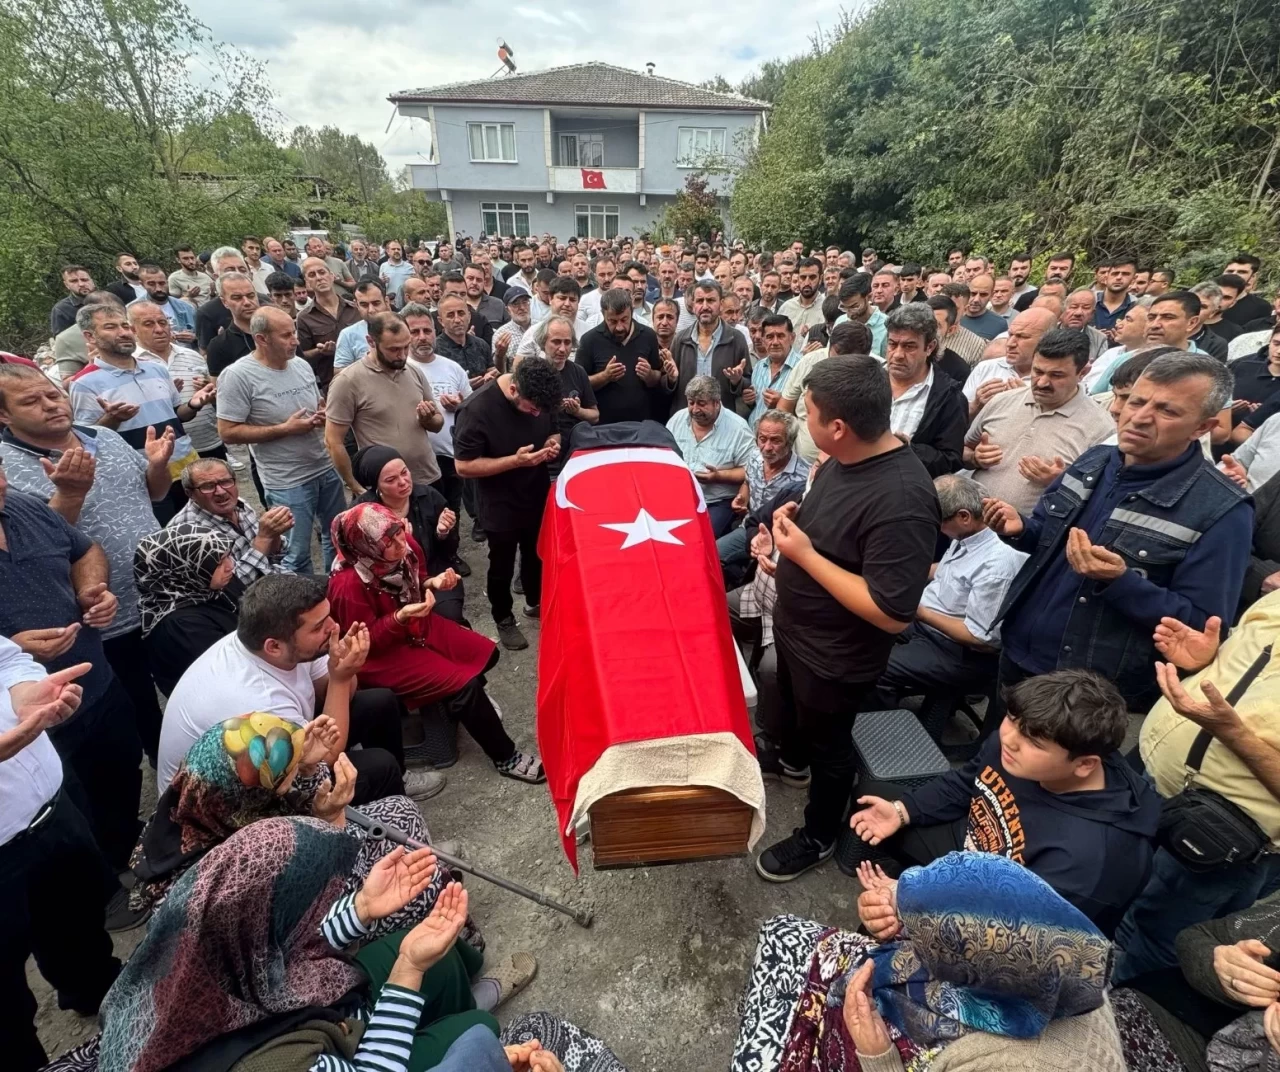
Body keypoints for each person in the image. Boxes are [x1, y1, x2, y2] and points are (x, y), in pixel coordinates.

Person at [99, 817, 509, 1072]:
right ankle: (449, 1022)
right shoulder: (270, 1065)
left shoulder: (201, 946)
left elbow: (291, 947)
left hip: (313, 1022)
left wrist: (363, 907)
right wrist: (407, 972)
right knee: (478, 1033)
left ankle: (440, 1013)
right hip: (325, 1052)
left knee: (438, 959)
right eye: (310, 905)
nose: (320, 909)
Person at [754, 356, 939, 882]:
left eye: (808, 414)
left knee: (832, 749)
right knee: (798, 720)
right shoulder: (843, 458)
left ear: (837, 426)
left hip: (835, 658)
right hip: (798, 633)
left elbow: (890, 612)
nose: (801, 423)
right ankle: (795, 763)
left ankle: (817, 834)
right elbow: (834, 533)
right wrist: (789, 534)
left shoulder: (903, 499)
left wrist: (806, 556)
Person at [986, 352, 1253, 713]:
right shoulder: (1094, 460)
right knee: (993, 762)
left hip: (1086, 690)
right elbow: (1050, 540)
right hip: (1019, 651)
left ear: (1202, 428)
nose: (1139, 418)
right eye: (1135, 401)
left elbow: (1201, 627)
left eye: (1167, 411)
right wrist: (1020, 529)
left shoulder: (1221, 510)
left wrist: (1119, 582)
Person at [734, 852, 1126, 1072]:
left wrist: (877, 1055)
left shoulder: (1022, 1064)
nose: (909, 935)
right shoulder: (1064, 958)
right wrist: (902, 901)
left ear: (976, 973)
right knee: (782, 932)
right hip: (914, 1009)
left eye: (924, 939)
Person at [849, 668, 1158, 932]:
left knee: (882, 926)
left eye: (1033, 742)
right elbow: (967, 781)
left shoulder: (1090, 862)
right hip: (971, 848)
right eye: (1012, 719)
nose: (1008, 739)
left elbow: (1015, 934)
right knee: (879, 804)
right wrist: (902, 811)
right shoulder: (1017, 743)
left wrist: (911, 899)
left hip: (1004, 918)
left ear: (1084, 764)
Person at [0, 362, 171, 761]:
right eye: (32, 401)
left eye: (53, 394)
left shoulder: (104, 437)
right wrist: (72, 493)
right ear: (4, 415)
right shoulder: (6, 465)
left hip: (160, 597)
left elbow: (154, 494)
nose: (51, 405)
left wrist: (159, 468)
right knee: (136, 710)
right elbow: (39, 545)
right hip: (101, 619)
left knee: (174, 685)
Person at [1111, 585, 1280, 982]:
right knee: (1120, 899)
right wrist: (1206, 659)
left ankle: (1112, 1019)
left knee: (1159, 940)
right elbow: (1251, 665)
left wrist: (1232, 733)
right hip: (1153, 782)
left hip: (1220, 831)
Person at [158, 572, 444, 802]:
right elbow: (321, 760)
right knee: (378, 767)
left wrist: (344, 669)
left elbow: (332, 691)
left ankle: (396, 791)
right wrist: (342, 678)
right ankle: (392, 840)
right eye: (319, 626)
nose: (334, 627)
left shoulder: (275, 641)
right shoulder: (258, 699)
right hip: (232, 805)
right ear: (274, 646)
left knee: (379, 703)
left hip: (280, 755)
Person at [0, 472, 144, 898]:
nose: (2, 483)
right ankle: (104, 896)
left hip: (93, 679)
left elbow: (84, 549)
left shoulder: (21, 506)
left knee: (121, 771)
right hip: (33, 720)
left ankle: (127, 853)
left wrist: (91, 588)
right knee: (68, 812)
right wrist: (10, 649)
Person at [327, 503, 544, 784]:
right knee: (465, 687)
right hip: (380, 656)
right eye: (388, 543)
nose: (400, 545)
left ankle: (465, 706)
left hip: (416, 623)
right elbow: (364, 643)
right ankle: (505, 756)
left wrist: (434, 583)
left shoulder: (406, 544)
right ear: (366, 546)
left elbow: (416, 578)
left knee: (487, 653)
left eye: (399, 535)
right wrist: (399, 617)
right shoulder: (347, 585)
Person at [0, 637, 125, 1072]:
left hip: (49, 809)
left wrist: (24, 691)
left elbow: (8, 658)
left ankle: (103, 1002)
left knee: (79, 929)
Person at [871, 473, 1028, 711]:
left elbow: (982, 640)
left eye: (939, 521)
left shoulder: (997, 564)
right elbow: (946, 571)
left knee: (877, 671)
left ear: (963, 516)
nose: (937, 529)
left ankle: (875, 733)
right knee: (862, 626)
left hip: (959, 652)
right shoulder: (969, 535)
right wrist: (901, 569)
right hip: (927, 621)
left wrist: (919, 612)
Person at [216, 307, 346, 574]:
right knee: (294, 554)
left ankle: (336, 597)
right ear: (262, 339)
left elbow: (315, 402)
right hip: (287, 480)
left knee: (338, 540)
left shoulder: (300, 364)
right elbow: (227, 431)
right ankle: (304, 611)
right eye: (286, 335)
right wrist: (284, 429)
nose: (296, 340)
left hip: (324, 466)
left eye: (294, 332)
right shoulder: (238, 375)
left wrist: (322, 412)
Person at [453, 359, 563, 652]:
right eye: (531, 408)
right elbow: (463, 466)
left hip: (536, 492)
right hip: (498, 501)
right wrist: (515, 461)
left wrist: (553, 443)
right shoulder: (476, 410)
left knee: (535, 553)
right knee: (501, 563)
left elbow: (553, 428)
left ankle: (534, 601)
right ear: (513, 389)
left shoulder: (540, 395)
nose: (537, 414)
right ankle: (503, 617)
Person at [68, 302, 210, 523]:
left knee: (206, 530)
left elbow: (177, 415)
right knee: (166, 540)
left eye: (125, 325)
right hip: (144, 477)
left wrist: (193, 404)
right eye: (110, 327)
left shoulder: (157, 369)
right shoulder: (84, 383)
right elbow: (88, 440)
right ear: (90, 336)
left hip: (185, 466)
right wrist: (112, 419)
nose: (123, 332)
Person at [964, 326, 1116, 513]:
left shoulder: (1102, 429)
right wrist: (974, 457)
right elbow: (964, 450)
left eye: (1056, 375)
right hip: (970, 522)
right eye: (1038, 371)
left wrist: (1061, 482)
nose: (1042, 382)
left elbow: (1102, 498)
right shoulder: (1003, 400)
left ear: (1083, 372)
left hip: (1025, 537)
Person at [323, 312, 443, 498]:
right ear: (371, 341)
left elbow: (437, 424)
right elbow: (333, 441)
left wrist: (428, 419)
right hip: (385, 489)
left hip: (427, 478)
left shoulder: (413, 371)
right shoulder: (348, 381)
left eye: (406, 347)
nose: (402, 355)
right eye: (394, 349)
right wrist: (356, 487)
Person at [353, 446, 466, 623]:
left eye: (404, 472)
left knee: (449, 617)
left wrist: (443, 532)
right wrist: (400, 547)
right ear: (377, 486)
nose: (403, 482)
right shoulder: (365, 512)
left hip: (434, 571)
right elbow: (360, 563)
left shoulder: (428, 496)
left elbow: (450, 552)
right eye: (391, 480)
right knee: (403, 624)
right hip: (389, 584)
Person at [132, 525, 241, 695]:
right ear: (181, 569)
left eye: (227, 556)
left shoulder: (205, 584)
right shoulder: (180, 626)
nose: (230, 566)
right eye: (218, 563)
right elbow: (230, 673)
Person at [718, 409, 809, 587]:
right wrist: (742, 497)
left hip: (779, 543)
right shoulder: (754, 457)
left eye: (775, 440)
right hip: (748, 529)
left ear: (789, 442)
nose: (766, 447)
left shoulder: (803, 477)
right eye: (762, 439)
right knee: (711, 554)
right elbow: (747, 482)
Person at [171, 456, 293, 585]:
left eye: (225, 482)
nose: (220, 491)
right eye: (208, 486)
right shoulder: (189, 532)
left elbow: (273, 558)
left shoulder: (239, 504)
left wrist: (274, 534)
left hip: (272, 580)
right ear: (190, 494)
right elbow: (231, 587)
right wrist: (264, 538)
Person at [128, 299, 222, 461]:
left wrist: (209, 390)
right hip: (168, 452)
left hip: (208, 442)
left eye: (163, 322)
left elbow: (213, 395)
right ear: (133, 330)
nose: (159, 329)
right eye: (148, 324)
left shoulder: (192, 356)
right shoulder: (131, 364)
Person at [881, 303, 967, 476]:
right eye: (892, 344)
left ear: (929, 347)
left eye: (909, 346)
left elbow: (950, 460)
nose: (897, 354)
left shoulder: (949, 397)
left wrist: (908, 450)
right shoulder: (867, 378)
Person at [664, 376, 755, 538]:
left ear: (717, 402)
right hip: (679, 496)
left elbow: (752, 470)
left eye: (701, 403)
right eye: (691, 402)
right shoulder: (678, 419)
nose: (695, 409)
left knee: (699, 537)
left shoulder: (738, 429)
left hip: (717, 501)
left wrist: (719, 476)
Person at [778, 320, 873, 463]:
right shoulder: (810, 361)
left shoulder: (873, 378)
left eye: (849, 361)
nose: (840, 365)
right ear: (830, 345)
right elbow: (784, 408)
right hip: (800, 464)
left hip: (848, 467)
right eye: (837, 356)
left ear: (865, 356)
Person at [578, 288, 671, 425]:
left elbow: (658, 378)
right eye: (613, 321)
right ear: (603, 315)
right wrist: (605, 376)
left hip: (642, 424)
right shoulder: (589, 340)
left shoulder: (648, 336)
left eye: (624, 319)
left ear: (632, 312)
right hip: (603, 427)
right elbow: (580, 384)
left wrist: (649, 375)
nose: (620, 327)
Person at [670, 279, 752, 415]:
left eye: (711, 300)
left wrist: (737, 381)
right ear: (693, 304)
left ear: (720, 304)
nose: (705, 306)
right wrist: (670, 379)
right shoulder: (681, 339)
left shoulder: (736, 339)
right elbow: (670, 385)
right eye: (700, 301)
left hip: (722, 418)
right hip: (687, 417)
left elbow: (748, 382)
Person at [961, 307, 1057, 418]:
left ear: (1047, 340)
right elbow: (957, 418)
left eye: (1022, 336)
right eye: (1010, 335)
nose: (1010, 343)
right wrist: (976, 406)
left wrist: (1026, 401)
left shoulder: (1057, 379)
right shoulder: (986, 367)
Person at [296, 257, 360, 393]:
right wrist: (320, 351)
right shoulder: (304, 318)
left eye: (322, 272)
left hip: (363, 379)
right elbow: (303, 355)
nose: (319, 278)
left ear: (331, 276)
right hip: (332, 385)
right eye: (312, 275)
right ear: (307, 283)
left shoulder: (356, 309)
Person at [202, 271, 259, 377]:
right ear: (224, 302)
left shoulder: (277, 331)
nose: (246, 302)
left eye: (251, 295)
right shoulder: (219, 346)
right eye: (237, 298)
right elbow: (220, 389)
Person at [435, 293, 497, 390]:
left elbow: (492, 371)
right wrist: (464, 387)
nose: (457, 320)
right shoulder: (435, 350)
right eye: (450, 315)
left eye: (461, 313)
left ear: (469, 316)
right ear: (441, 321)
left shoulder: (481, 344)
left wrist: (491, 377)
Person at [332, 279, 391, 372]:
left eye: (376, 303)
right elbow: (339, 372)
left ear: (386, 301)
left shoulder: (405, 326)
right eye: (364, 305)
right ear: (356, 305)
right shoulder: (348, 335)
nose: (371, 310)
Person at [779, 257, 826, 336]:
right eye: (803, 277)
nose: (807, 283)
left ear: (820, 279)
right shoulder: (786, 307)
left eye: (812, 277)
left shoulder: (826, 307)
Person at [958, 273, 1006, 339]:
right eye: (973, 293)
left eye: (983, 294)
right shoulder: (951, 316)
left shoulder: (1000, 324)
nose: (976, 299)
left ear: (991, 295)